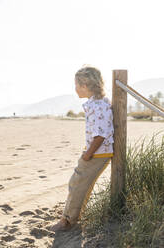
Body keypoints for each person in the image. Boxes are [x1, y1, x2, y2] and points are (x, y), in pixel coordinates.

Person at [51, 66, 114, 231]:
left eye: (76, 85)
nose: (75, 88)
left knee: (77, 183)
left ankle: (67, 221)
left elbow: (100, 135)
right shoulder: (98, 102)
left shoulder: (98, 105)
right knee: (79, 183)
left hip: (98, 153)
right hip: (98, 151)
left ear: (85, 85)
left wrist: (88, 154)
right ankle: (73, 216)